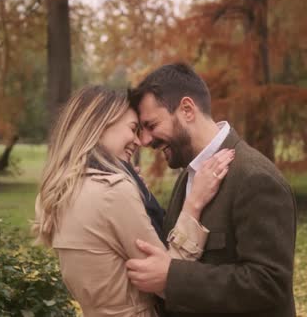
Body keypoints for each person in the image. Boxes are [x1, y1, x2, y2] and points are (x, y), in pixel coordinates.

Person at [32, 85, 234, 317]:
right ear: (100, 125)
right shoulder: (113, 192)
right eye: (133, 129)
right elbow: (166, 279)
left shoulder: (64, 189)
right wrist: (194, 203)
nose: (139, 141)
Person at [126, 63, 298, 317]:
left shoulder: (255, 178)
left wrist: (172, 278)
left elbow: (269, 283)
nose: (145, 141)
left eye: (151, 125)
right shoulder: (188, 175)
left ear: (187, 109)